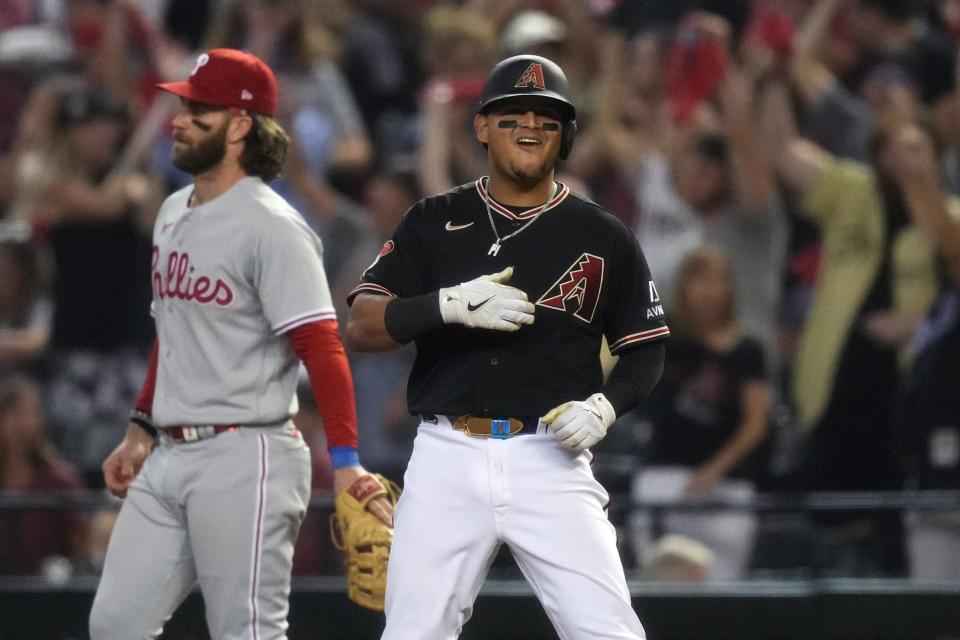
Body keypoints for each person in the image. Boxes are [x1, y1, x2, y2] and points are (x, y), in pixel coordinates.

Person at [347, 54, 669, 640]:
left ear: (566, 135)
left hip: (551, 457)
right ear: (482, 126)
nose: (530, 125)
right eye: (512, 113)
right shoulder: (432, 220)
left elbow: (645, 349)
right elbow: (363, 324)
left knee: (610, 632)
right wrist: (443, 304)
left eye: (547, 119)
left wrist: (605, 405)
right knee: (412, 633)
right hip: (447, 452)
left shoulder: (604, 235)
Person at [87, 49, 392, 640]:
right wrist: (139, 427)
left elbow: (322, 346)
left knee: (246, 632)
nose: (178, 119)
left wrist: (348, 461)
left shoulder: (272, 225)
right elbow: (174, 329)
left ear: (241, 124)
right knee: (115, 625)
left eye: (198, 109)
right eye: (183, 105)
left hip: (245, 454)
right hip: (168, 452)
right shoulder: (173, 210)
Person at [630, 247, 771, 581]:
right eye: (700, 280)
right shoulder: (662, 339)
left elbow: (756, 424)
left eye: (718, 281)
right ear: (684, 286)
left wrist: (712, 472)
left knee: (721, 591)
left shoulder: (749, 351)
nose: (709, 291)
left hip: (725, 489)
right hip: (664, 479)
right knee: (661, 590)